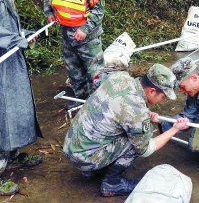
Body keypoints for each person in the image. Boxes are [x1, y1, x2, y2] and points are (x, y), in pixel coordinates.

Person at [63, 34, 189, 197]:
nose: (161, 100)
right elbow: (146, 149)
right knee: (138, 142)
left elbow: (119, 109)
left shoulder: (120, 78)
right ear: (151, 91)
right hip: (84, 158)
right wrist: (174, 129)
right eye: (163, 96)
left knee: (131, 131)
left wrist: (144, 115)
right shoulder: (137, 113)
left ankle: (93, 169)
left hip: (72, 146)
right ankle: (112, 183)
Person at [0, 0, 43, 196]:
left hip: (10, 61)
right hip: (3, 62)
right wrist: (14, 40)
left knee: (13, 108)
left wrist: (22, 36)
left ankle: (11, 153)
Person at [43, 0, 105, 110]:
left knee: (95, 74)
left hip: (89, 39)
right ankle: (81, 101)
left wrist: (84, 29)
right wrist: (49, 12)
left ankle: (102, 104)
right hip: (67, 35)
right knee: (74, 72)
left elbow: (99, 12)